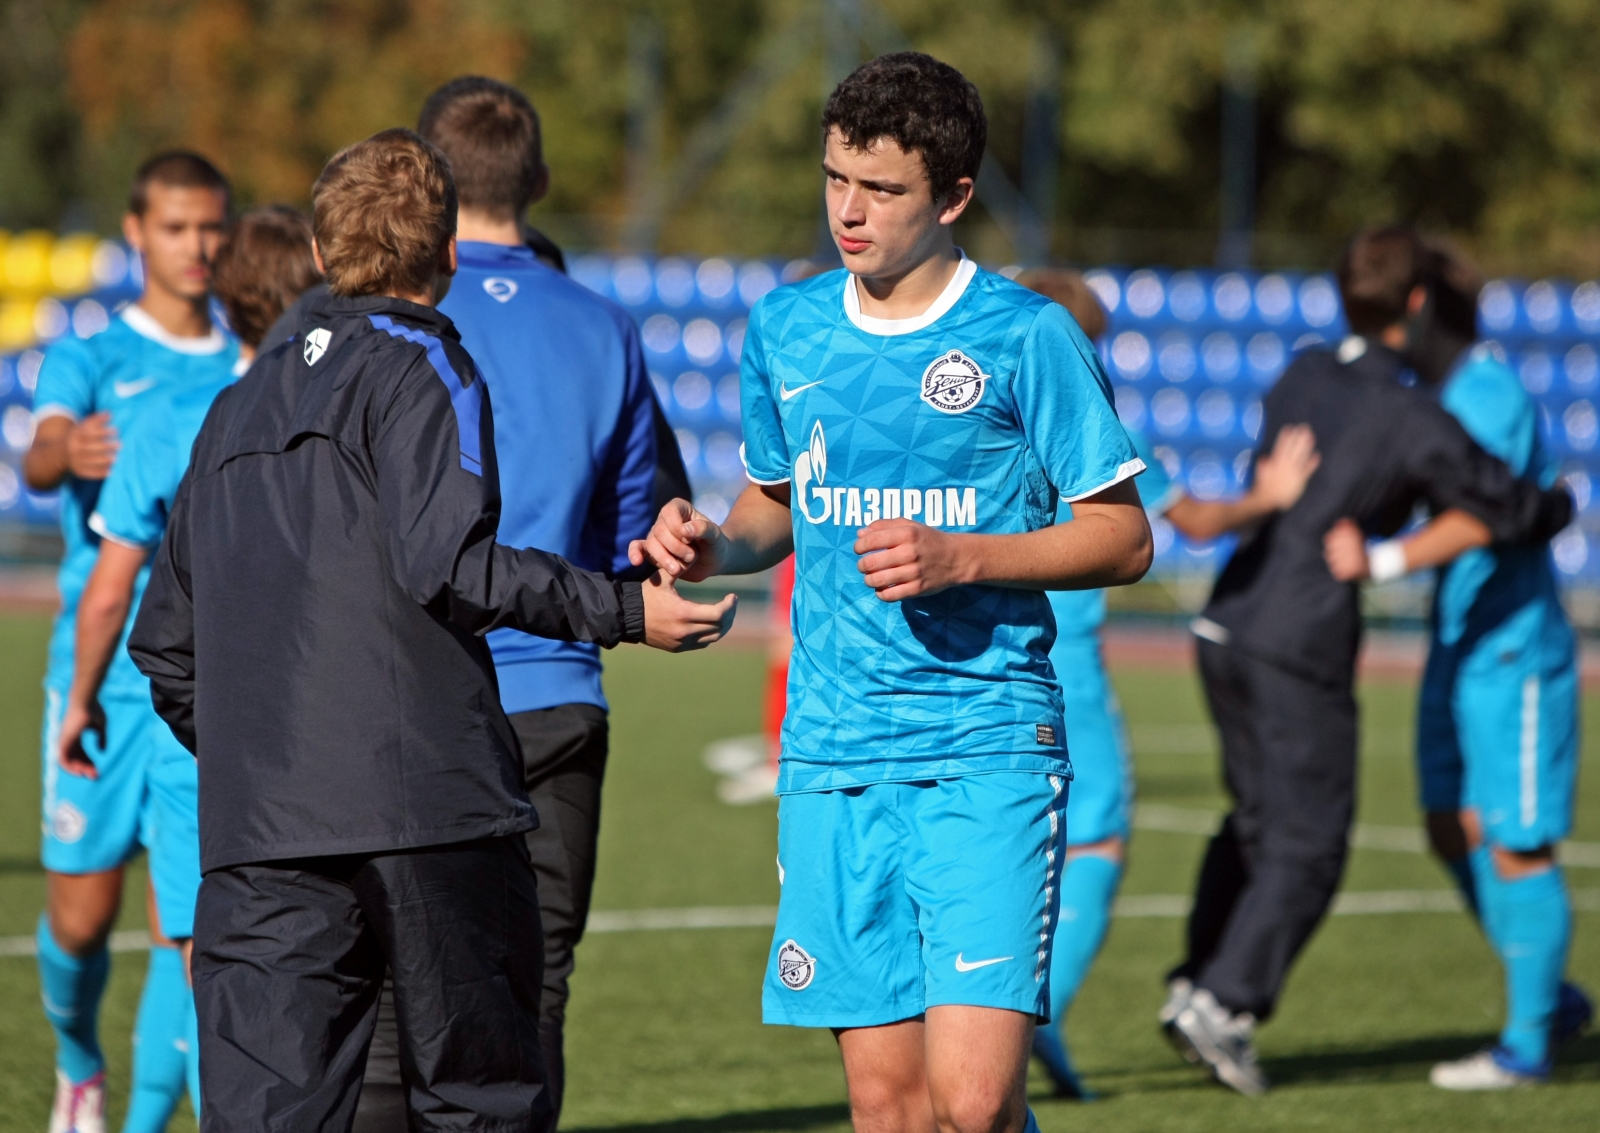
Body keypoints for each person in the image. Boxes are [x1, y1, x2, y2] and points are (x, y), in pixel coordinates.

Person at [125, 129, 735, 1133]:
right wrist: (624, 610)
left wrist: (270, 755)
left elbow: (165, 642)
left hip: (262, 831)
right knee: (477, 1098)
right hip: (427, 814)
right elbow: (445, 562)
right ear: (447, 257)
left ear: (322, 255)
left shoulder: (233, 406)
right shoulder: (424, 364)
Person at [633, 54, 1153, 1133]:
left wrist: (968, 558)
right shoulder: (787, 327)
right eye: (835, 179)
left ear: (954, 197)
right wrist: (712, 543)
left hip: (984, 743)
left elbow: (1124, 535)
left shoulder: (1025, 336)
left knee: (972, 1100)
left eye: (882, 189)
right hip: (830, 752)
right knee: (888, 1103)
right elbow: (777, 504)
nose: (849, 212)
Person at [1158, 236, 1575, 1096]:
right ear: (1415, 304)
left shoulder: (1301, 371)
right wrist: (1556, 503)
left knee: (1256, 822)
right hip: (1297, 639)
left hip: (1225, 620)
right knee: (1308, 845)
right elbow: (1504, 502)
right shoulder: (1415, 412)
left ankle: (1196, 979)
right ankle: (1223, 1001)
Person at [346, 76, 674, 1132]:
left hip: (411, 698)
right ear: (536, 178)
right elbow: (638, 532)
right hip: (558, 694)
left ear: (424, 178)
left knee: (401, 992)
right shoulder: (604, 326)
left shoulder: (384, 322)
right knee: (536, 990)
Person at [1013, 269, 1321, 1099]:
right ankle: (1033, 1014)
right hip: (1060, 661)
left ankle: (994, 1018)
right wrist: (1274, 495)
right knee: (1099, 838)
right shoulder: (1082, 411)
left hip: (980, 652)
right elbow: (1189, 521)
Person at [55, 205, 318, 1131]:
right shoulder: (346, 404)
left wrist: (79, 699)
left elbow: (109, 590)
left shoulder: (176, 420)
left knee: (202, 955)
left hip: (198, 734)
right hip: (319, 733)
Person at [1322, 229, 1591, 1088]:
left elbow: (1490, 511)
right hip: (1458, 636)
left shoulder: (1488, 391)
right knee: (1448, 823)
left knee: (1517, 839)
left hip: (1511, 646)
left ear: (1420, 304)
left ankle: (1526, 1045)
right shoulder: (1434, 390)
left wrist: (1384, 560)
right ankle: (1549, 994)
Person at [22, 151, 234, 1133]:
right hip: (97, 677)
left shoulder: (247, 360)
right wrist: (66, 448)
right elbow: (38, 449)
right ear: (136, 230)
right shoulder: (92, 354)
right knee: (80, 913)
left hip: (197, 679)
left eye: (213, 227)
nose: (200, 246)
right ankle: (77, 1062)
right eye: (180, 226)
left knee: (184, 927)